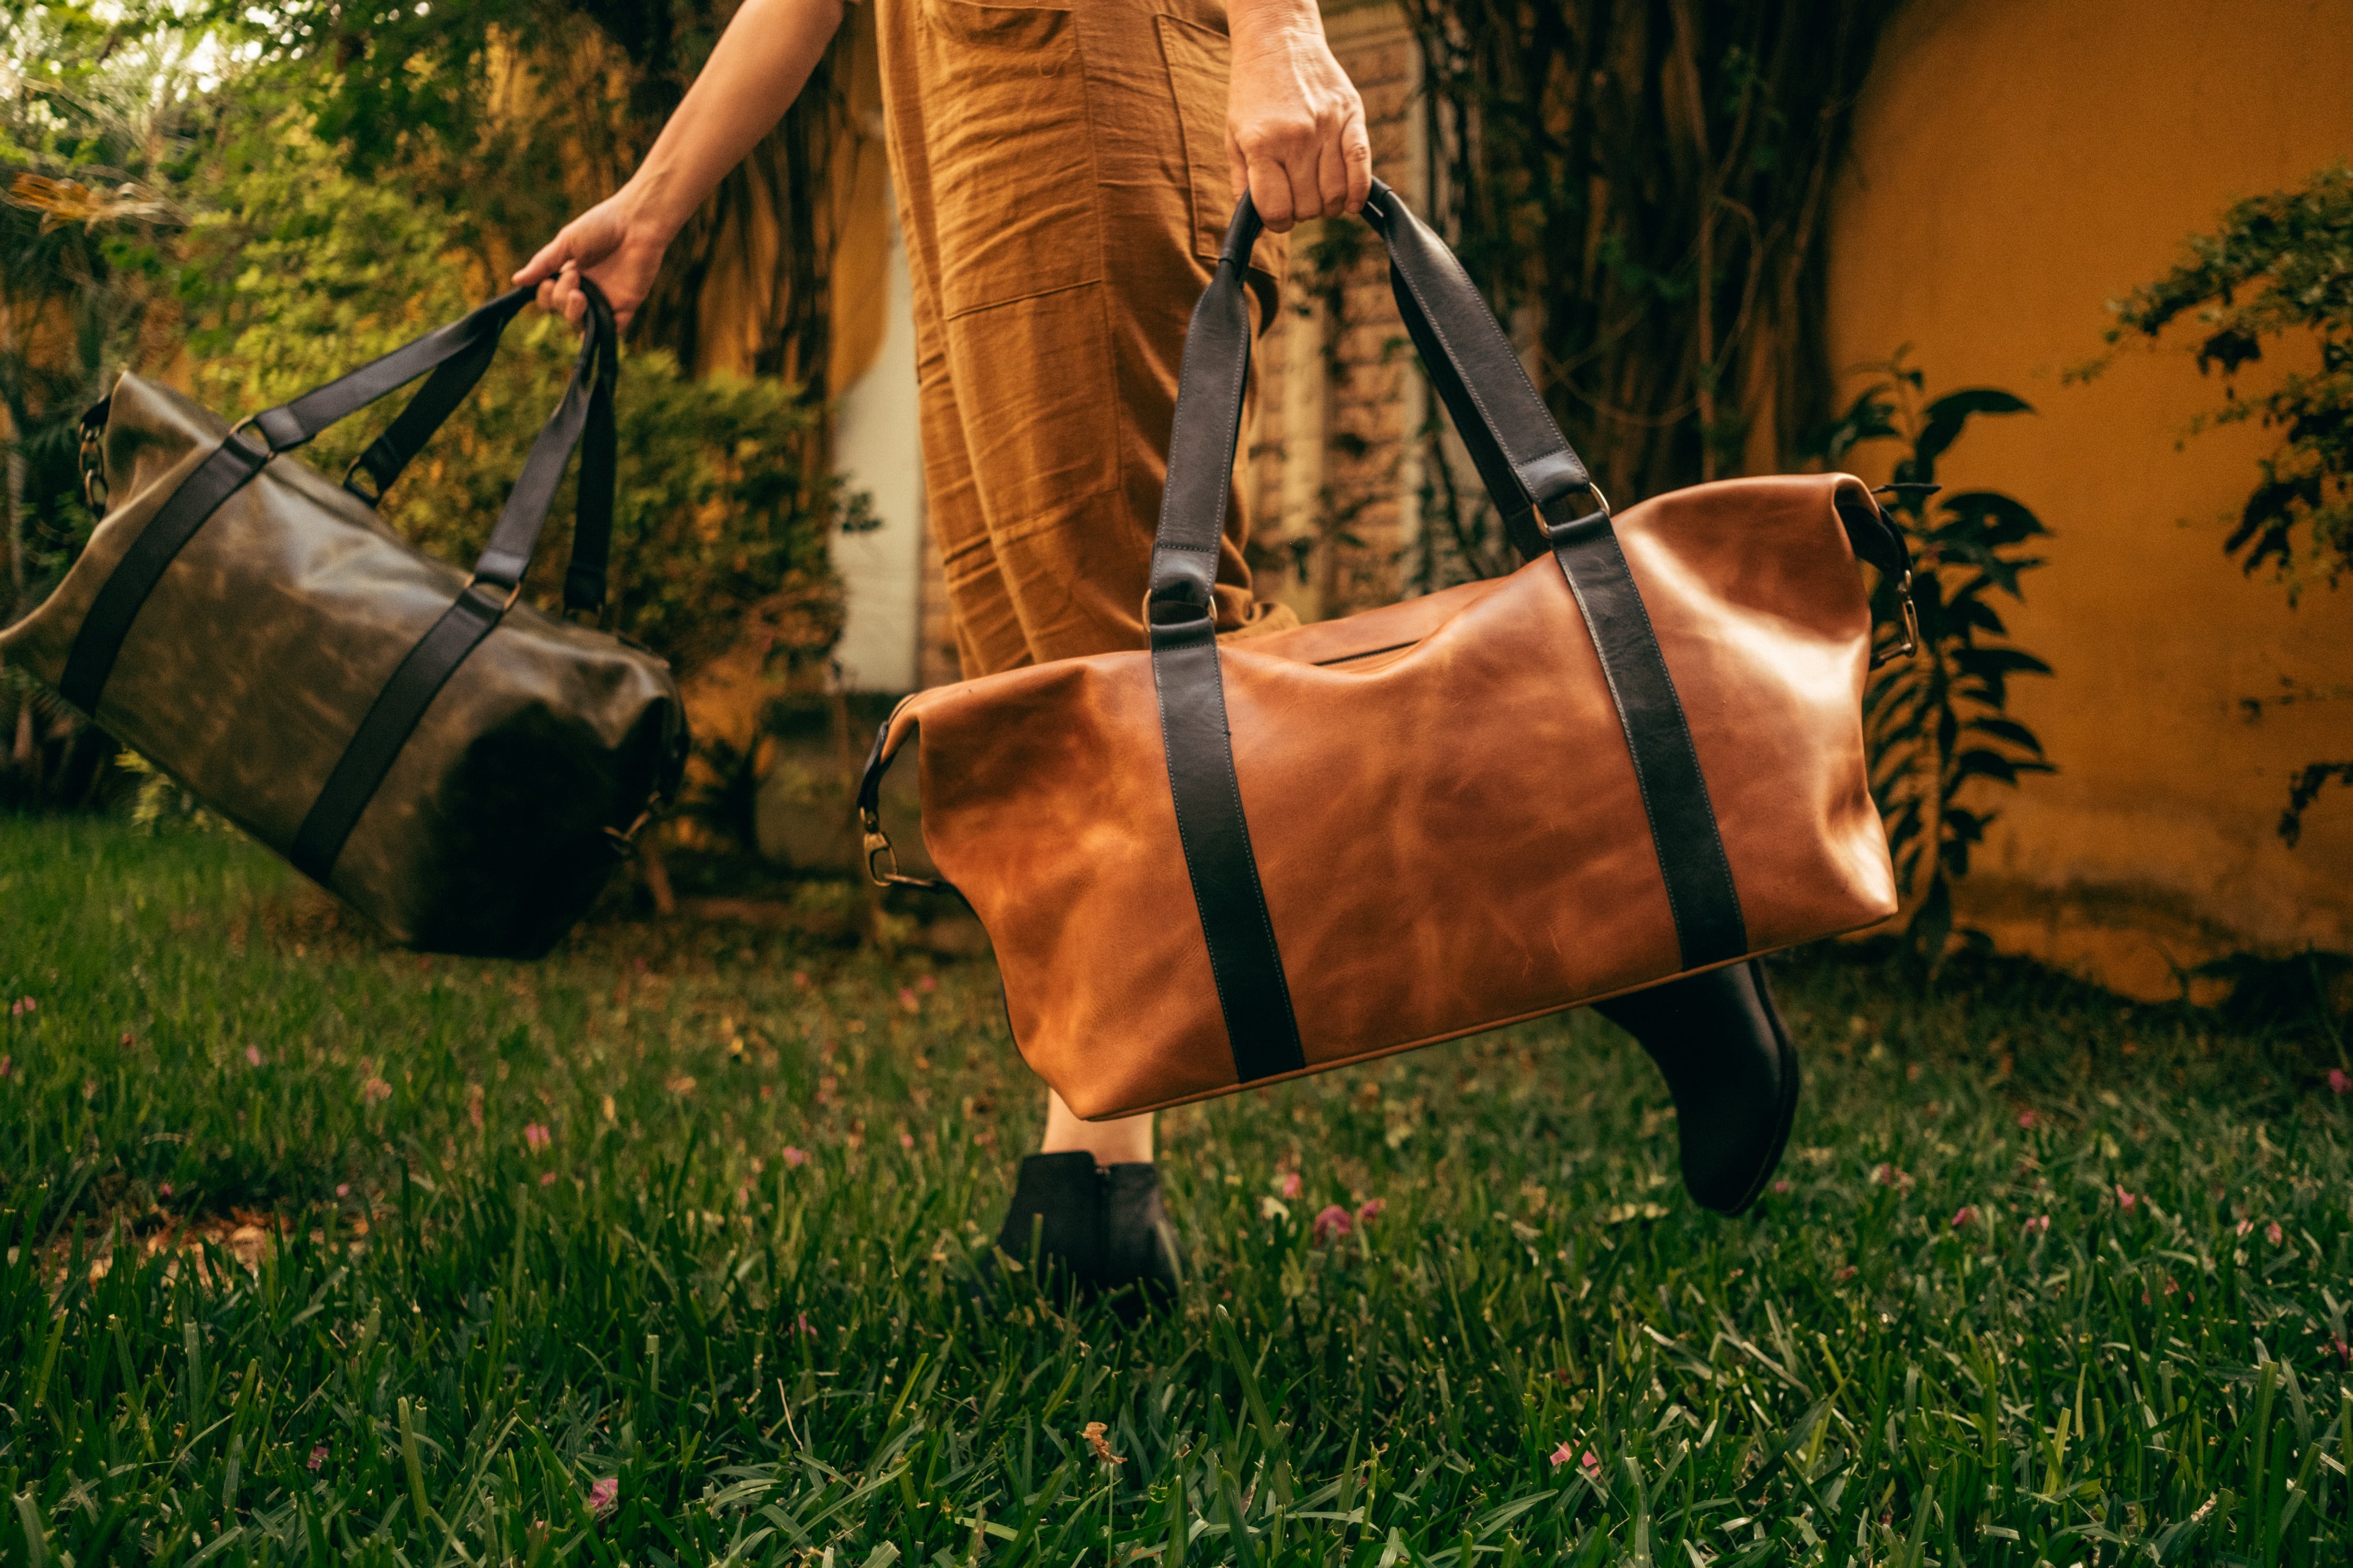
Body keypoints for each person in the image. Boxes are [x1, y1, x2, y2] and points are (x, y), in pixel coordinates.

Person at [518, 0, 1798, 1310]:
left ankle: (1638, 907)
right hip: (964, 113)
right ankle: (1091, 1201)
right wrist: (657, 202)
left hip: (1079, 78)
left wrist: (1276, 28)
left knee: (1164, 707)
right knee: (1065, 706)